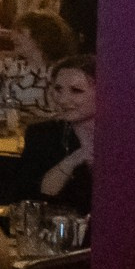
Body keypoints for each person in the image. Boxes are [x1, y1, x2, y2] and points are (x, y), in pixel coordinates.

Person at [20, 55, 95, 213]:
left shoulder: (123, 138)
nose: (62, 99)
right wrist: (75, 158)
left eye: (76, 91)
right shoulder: (41, 134)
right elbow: (35, 198)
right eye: (58, 89)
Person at [0, 11, 72, 123]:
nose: (12, 37)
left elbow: (69, 112)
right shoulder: (5, 68)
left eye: (20, 32)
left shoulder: (64, 73)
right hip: (10, 134)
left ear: (41, 38)